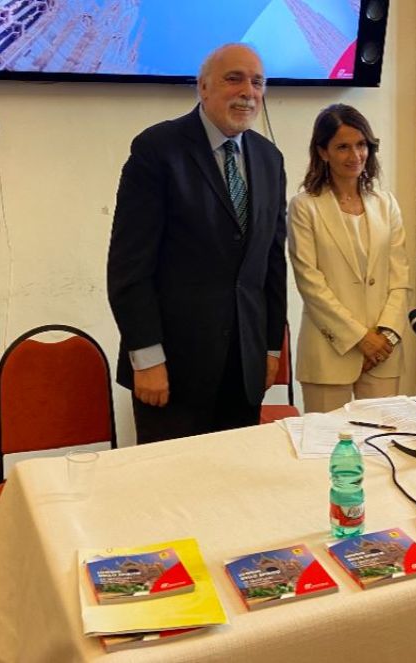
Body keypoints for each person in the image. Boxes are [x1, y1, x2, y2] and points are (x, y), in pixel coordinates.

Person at [106, 44, 287, 443]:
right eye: (234, 79)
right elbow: (129, 266)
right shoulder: (157, 149)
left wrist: (271, 349)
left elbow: (272, 264)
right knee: (170, 479)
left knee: (234, 476)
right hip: (173, 370)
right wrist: (146, 357)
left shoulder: (269, 159)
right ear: (203, 87)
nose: (248, 92)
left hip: (244, 369)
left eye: (257, 82)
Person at [288, 104, 411, 413]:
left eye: (361, 145)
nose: (355, 155)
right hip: (329, 351)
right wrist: (360, 338)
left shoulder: (386, 204)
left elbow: (400, 279)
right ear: (323, 152)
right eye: (343, 147)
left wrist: (385, 336)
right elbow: (310, 284)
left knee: (383, 437)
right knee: (328, 440)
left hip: (383, 352)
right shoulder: (304, 206)